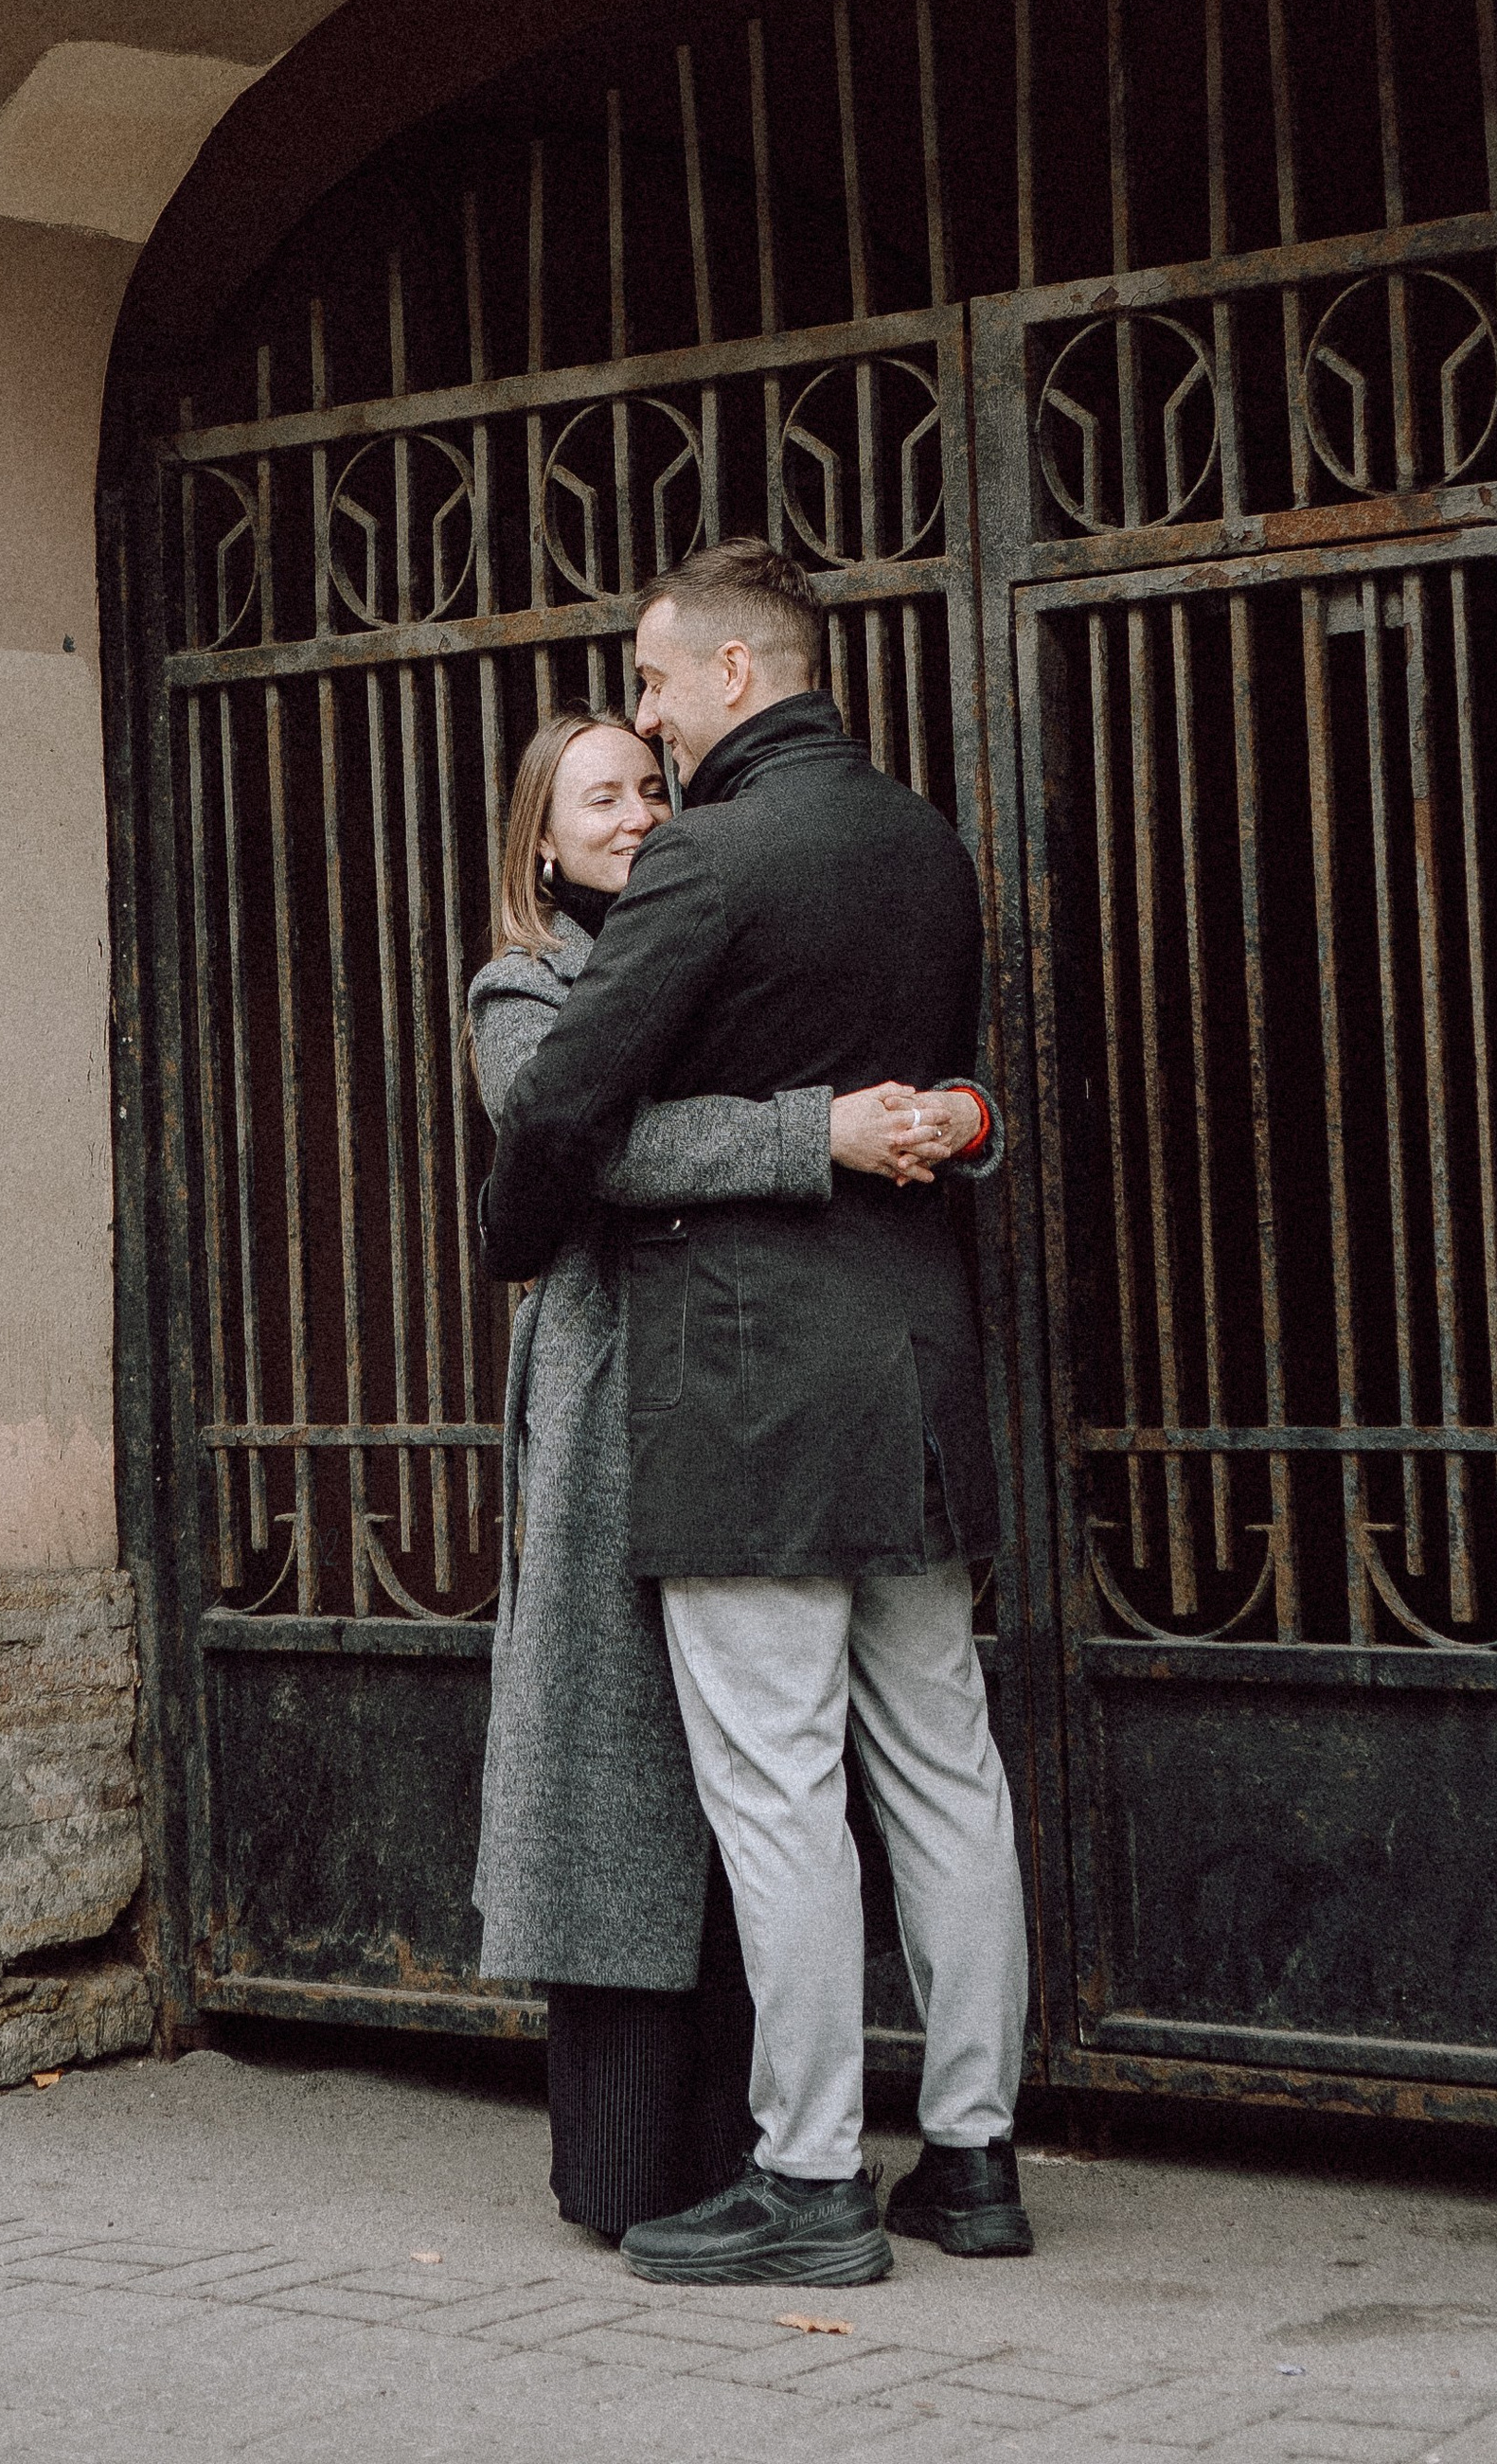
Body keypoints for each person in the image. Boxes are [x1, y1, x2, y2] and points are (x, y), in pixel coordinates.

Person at [484, 542, 1032, 2290]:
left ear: (734, 675)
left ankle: (809, 2187)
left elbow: (563, 1107)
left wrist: (514, 1238)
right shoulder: (924, 841)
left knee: (782, 1786)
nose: (646, 717)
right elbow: (941, 1083)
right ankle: (975, 2160)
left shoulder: (709, 858)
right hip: (920, 1369)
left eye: (654, 684)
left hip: (745, 1385)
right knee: (947, 1770)